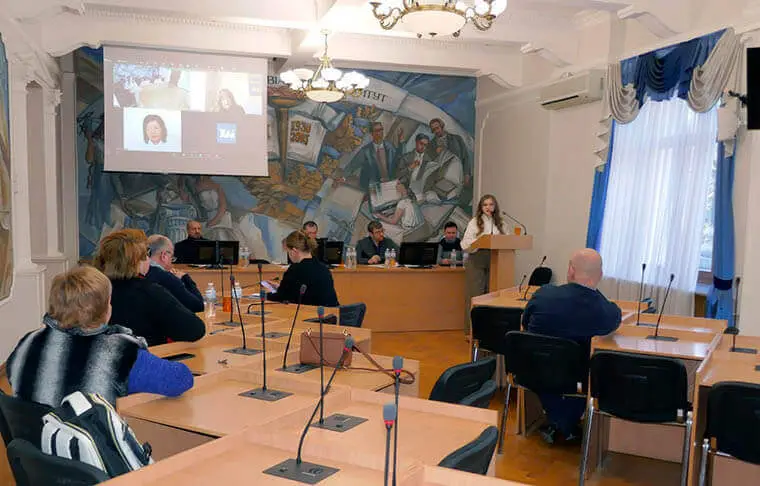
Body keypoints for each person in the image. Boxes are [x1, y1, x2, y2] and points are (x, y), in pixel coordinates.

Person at [6, 266, 194, 407]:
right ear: (105, 309)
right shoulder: (118, 352)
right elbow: (181, 380)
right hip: (90, 445)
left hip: (36, 442)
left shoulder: (28, 342)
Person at [522, 248, 622, 444]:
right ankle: (565, 423)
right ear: (600, 275)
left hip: (532, 371)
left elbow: (525, 323)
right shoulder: (603, 310)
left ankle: (559, 422)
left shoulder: (543, 294)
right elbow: (614, 318)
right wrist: (594, 292)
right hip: (576, 380)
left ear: (570, 270)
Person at [93, 229, 206, 346]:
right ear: (137, 260)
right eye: (147, 254)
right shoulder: (150, 291)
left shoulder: (94, 289)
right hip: (148, 354)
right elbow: (195, 330)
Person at [461, 194, 505, 336]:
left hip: (496, 259)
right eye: (485, 205)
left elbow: (507, 240)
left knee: (493, 295)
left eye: (491, 204)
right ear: (481, 207)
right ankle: (472, 331)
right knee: (475, 294)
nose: (488, 207)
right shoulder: (475, 222)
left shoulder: (501, 223)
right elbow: (465, 243)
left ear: (495, 207)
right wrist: (481, 240)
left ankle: (490, 332)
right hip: (477, 258)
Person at [265, 230, 339, 307]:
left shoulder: (295, 269)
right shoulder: (323, 267)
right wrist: (280, 288)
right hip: (333, 311)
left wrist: (263, 296)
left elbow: (282, 297)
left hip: (312, 313)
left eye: (288, 252)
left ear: (294, 251)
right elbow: (303, 291)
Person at [145, 234, 204, 313]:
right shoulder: (167, 277)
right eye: (172, 257)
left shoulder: (137, 272)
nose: (172, 263)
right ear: (164, 256)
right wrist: (185, 278)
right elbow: (198, 305)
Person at [342, 122, 399, 192]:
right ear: (372, 133)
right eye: (377, 130)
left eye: (381, 129)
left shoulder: (390, 147)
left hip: (389, 184)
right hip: (372, 186)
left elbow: (397, 163)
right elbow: (352, 165)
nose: (380, 132)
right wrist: (343, 177)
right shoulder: (366, 151)